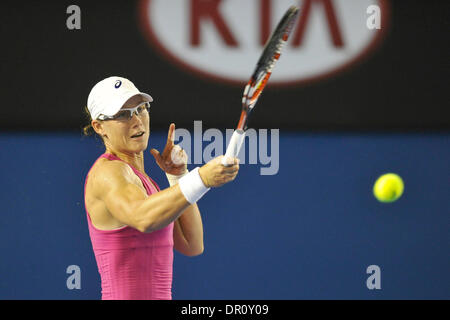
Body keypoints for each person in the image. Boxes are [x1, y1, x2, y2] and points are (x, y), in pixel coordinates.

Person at [82, 76, 239, 300]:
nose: (136, 120)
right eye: (123, 114)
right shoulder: (108, 172)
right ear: (99, 126)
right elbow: (142, 217)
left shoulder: (147, 184)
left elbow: (191, 243)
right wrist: (202, 177)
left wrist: (178, 177)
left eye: (140, 109)